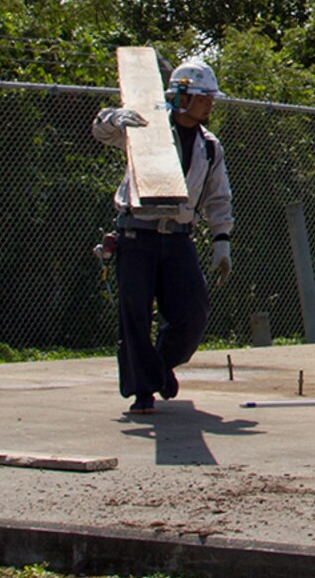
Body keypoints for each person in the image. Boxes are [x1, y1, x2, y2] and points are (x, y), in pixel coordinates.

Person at [92, 58, 234, 414]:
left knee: (193, 313)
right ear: (181, 97)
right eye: (204, 98)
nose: (210, 104)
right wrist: (116, 117)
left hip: (178, 238)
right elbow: (100, 131)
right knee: (134, 315)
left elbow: (218, 197)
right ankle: (143, 392)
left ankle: (157, 365)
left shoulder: (210, 146)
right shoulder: (145, 128)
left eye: (211, 98)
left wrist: (222, 241)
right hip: (137, 234)